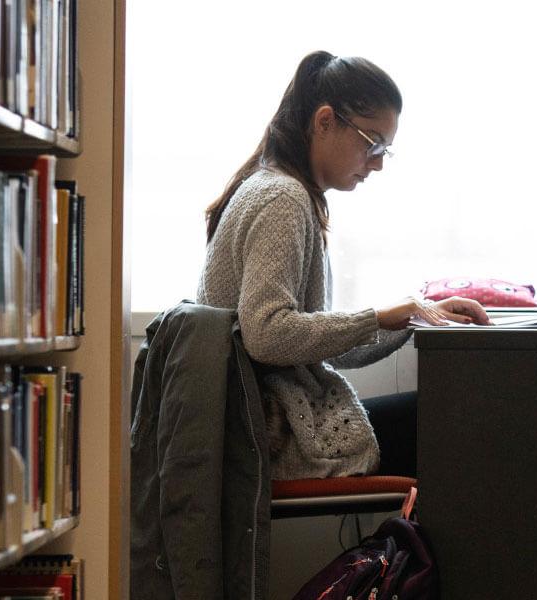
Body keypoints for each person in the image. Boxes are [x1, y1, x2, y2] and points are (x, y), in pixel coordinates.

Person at [197, 51, 488, 480]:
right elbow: (267, 334)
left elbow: (309, 340)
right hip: (271, 435)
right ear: (325, 121)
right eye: (372, 142)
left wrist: (413, 315)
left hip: (268, 425)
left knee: (443, 420)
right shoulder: (282, 198)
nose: (378, 162)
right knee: (459, 423)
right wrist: (377, 317)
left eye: (386, 148)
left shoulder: (279, 189)